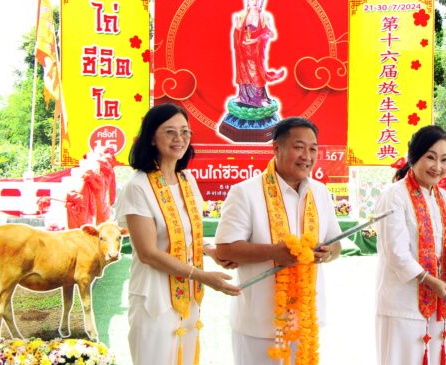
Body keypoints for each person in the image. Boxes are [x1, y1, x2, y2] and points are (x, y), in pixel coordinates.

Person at [116, 103, 240, 365]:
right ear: (151, 137)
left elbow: (186, 233)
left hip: (188, 296)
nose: (179, 139)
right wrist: (202, 276)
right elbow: (148, 253)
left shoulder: (187, 180)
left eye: (185, 132)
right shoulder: (138, 186)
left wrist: (210, 251)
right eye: (170, 132)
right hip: (155, 297)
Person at [215, 117, 342, 365]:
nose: (307, 155)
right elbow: (225, 248)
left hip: (306, 323)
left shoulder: (321, 192)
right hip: (259, 325)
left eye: (313, 148)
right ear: (276, 149)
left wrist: (327, 253)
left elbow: (336, 244)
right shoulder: (245, 192)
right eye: (299, 146)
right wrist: (275, 252)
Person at [374, 125, 446, 365]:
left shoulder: (444, 198)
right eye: (430, 157)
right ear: (414, 157)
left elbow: (443, 241)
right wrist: (429, 280)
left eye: (444, 159)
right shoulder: (394, 195)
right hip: (402, 305)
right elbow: (397, 253)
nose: (438, 167)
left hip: (439, 307)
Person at [232, 0, 285, 107]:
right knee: (242, 72)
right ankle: (243, 96)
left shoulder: (264, 17)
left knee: (256, 73)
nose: (255, 2)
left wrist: (256, 40)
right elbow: (238, 33)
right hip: (242, 51)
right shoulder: (242, 16)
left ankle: (260, 98)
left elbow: (271, 34)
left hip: (255, 52)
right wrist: (237, 28)